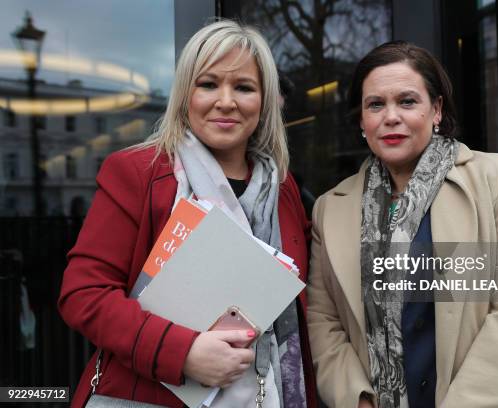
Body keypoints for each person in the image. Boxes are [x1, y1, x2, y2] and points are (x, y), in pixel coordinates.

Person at [58, 20, 316, 408]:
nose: (225, 101)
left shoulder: (283, 188)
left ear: (264, 102)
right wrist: (184, 352)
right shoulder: (137, 173)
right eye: (208, 84)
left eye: (243, 87)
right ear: (184, 95)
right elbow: (84, 295)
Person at [306, 41, 498, 407]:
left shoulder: (496, 177)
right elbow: (323, 321)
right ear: (362, 119)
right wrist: (356, 398)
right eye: (375, 104)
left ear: (436, 109)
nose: (390, 116)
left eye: (407, 101)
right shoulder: (330, 208)